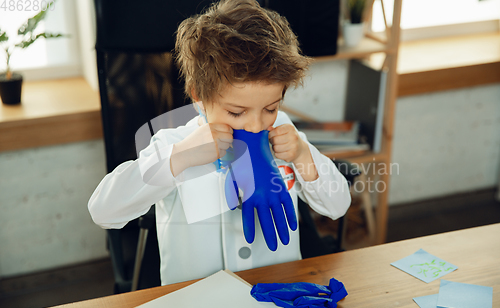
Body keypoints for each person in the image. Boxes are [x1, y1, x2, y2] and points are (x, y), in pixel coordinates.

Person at [88, 0, 351, 286]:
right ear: (198, 95)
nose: (255, 124)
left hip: (278, 300)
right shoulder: (175, 144)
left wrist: (302, 155)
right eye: (236, 112)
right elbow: (103, 211)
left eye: (270, 108)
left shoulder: (284, 134)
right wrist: (178, 158)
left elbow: (337, 205)